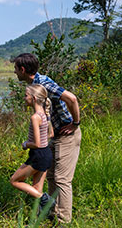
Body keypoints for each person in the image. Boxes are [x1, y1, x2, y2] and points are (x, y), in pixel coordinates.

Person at [12, 53, 81, 223]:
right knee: (51, 176)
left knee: (62, 179)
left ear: (22, 69)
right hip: (56, 135)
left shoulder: (42, 84)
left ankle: (63, 221)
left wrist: (75, 123)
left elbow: (71, 98)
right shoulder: (36, 85)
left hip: (67, 134)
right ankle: (52, 215)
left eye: (15, 69)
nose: (15, 73)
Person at [10, 84, 55, 213]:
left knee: (14, 180)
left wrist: (25, 144)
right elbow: (50, 134)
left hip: (38, 155)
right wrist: (40, 141)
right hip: (46, 154)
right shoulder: (45, 115)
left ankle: (46, 199)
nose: (24, 98)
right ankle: (42, 219)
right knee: (35, 189)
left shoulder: (35, 117)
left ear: (34, 98)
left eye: (26, 95)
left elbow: (35, 143)